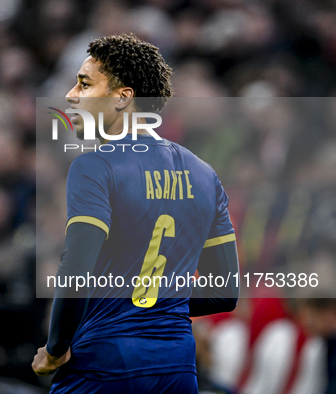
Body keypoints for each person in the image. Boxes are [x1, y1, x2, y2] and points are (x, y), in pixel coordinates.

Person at [32, 34, 240, 393]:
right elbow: (224, 292)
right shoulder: (205, 174)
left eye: (84, 83)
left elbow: (76, 271)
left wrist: (55, 350)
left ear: (124, 97)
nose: (69, 95)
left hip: (102, 363)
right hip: (176, 368)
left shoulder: (94, 167)